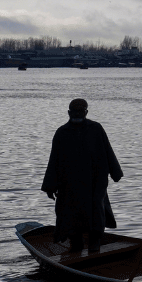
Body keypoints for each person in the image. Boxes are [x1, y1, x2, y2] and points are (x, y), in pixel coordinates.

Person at [41, 99, 123, 253]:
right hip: (69, 184)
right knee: (70, 215)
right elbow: (54, 160)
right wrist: (50, 186)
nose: (77, 114)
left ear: (86, 112)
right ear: (68, 113)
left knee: (95, 213)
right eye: (74, 112)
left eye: (80, 111)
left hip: (95, 183)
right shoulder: (61, 133)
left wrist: (115, 173)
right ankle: (75, 245)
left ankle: (95, 244)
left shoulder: (96, 129)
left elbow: (107, 151)